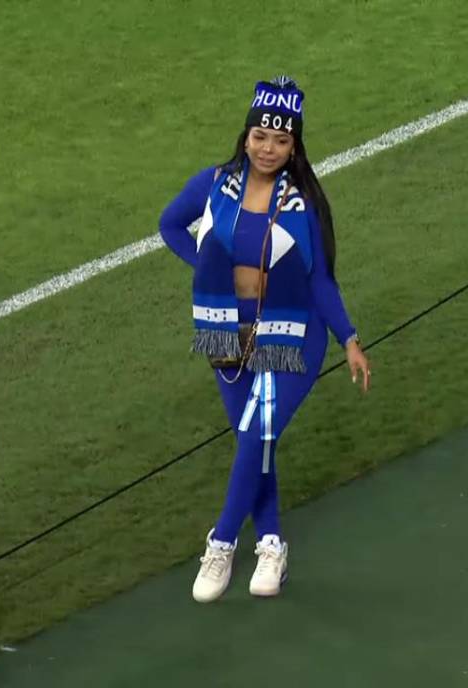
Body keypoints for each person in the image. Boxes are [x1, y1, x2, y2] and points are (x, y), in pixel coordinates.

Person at [158, 76, 371, 602]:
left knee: (256, 433)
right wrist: (208, 268)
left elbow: (320, 278)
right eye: (260, 136)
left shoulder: (302, 205)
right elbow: (170, 226)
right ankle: (271, 543)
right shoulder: (212, 186)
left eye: (280, 140)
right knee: (256, 442)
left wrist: (348, 337)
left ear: (294, 145)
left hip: (292, 337)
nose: (268, 149)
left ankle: (223, 545)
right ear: (246, 135)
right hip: (224, 333)